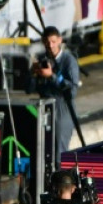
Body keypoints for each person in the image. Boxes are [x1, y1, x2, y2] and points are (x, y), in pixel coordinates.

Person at [30, 26, 80, 159]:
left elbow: (72, 91)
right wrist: (33, 74)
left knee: (59, 154)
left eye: (53, 41)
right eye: (47, 42)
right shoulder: (41, 60)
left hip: (62, 109)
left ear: (59, 40)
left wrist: (52, 76)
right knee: (41, 154)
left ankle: (59, 177)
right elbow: (28, 89)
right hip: (43, 109)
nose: (50, 46)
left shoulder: (69, 61)